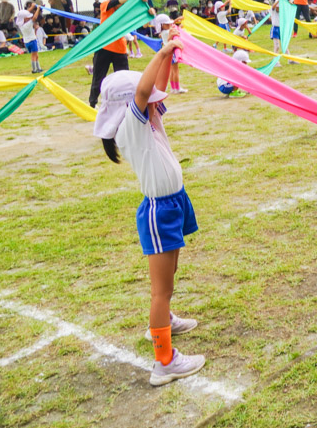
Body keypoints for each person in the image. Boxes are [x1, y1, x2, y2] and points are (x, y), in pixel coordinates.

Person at [92, 34, 206, 387]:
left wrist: (169, 54)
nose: (155, 101)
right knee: (161, 290)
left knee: (168, 280)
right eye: (145, 100)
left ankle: (165, 321)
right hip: (159, 211)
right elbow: (143, 92)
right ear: (130, 105)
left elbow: (152, 89)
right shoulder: (132, 126)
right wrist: (162, 51)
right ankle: (164, 361)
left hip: (172, 202)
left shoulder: (149, 117)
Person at [89, 0, 147, 108]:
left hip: (120, 49)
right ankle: (92, 103)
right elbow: (115, 2)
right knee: (98, 77)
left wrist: (149, 10)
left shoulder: (126, 12)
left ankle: (125, 103)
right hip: (103, 47)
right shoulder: (105, 5)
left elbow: (143, 17)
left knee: (124, 78)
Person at [152, 14, 187, 94]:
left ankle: (173, 88)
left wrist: (176, 20)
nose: (169, 25)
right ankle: (177, 88)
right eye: (167, 24)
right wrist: (180, 26)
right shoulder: (168, 32)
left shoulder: (163, 31)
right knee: (176, 71)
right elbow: (171, 37)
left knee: (172, 71)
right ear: (162, 25)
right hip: (172, 53)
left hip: (168, 53)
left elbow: (172, 26)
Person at [15, 1, 42, 73]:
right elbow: (35, 17)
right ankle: (34, 69)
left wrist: (32, 7)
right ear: (25, 19)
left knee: (36, 55)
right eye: (28, 18)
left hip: (27, 42)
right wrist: (38, 9)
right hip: (32, 41)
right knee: (34, 55)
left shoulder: (19, 23)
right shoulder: (27, 25)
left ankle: (38, 68)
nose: (29, 18)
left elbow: (24, 13)